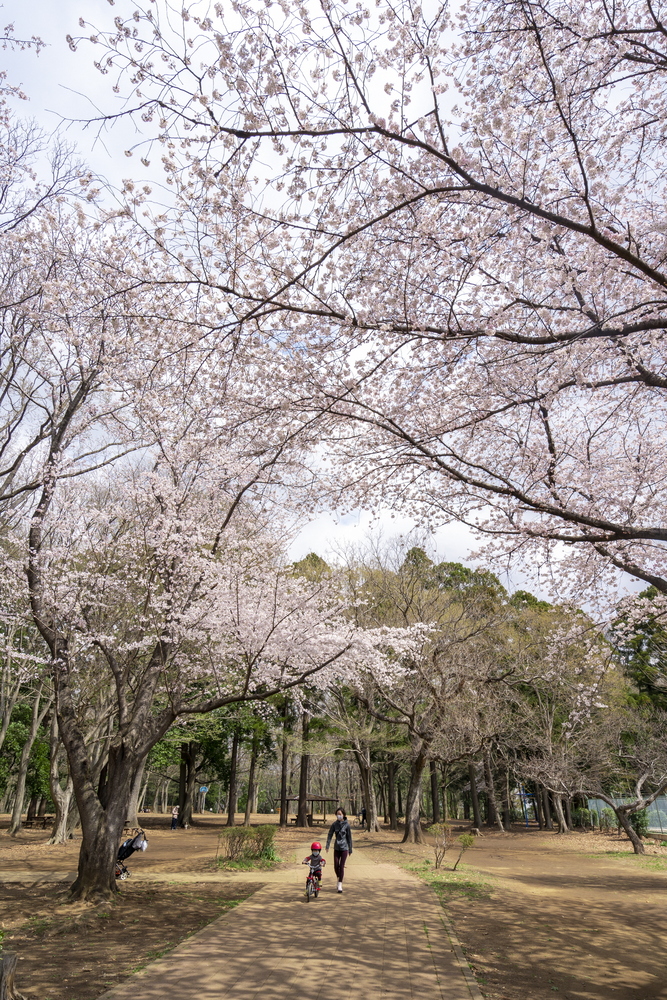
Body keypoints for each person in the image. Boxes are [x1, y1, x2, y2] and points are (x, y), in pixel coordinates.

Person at [326, 807, 353, 893]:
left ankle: (340, 884)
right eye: (337, 814)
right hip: (337, 848)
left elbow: (349, 838)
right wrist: (327, 845)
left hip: (344, 848)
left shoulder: (347, 825)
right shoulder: (334, 824)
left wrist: (350, 849)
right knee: (336, 866)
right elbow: (330, 834)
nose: (339, 816)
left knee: (341, 866)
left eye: (340, 814)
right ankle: (338, 877)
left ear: (343, 815)